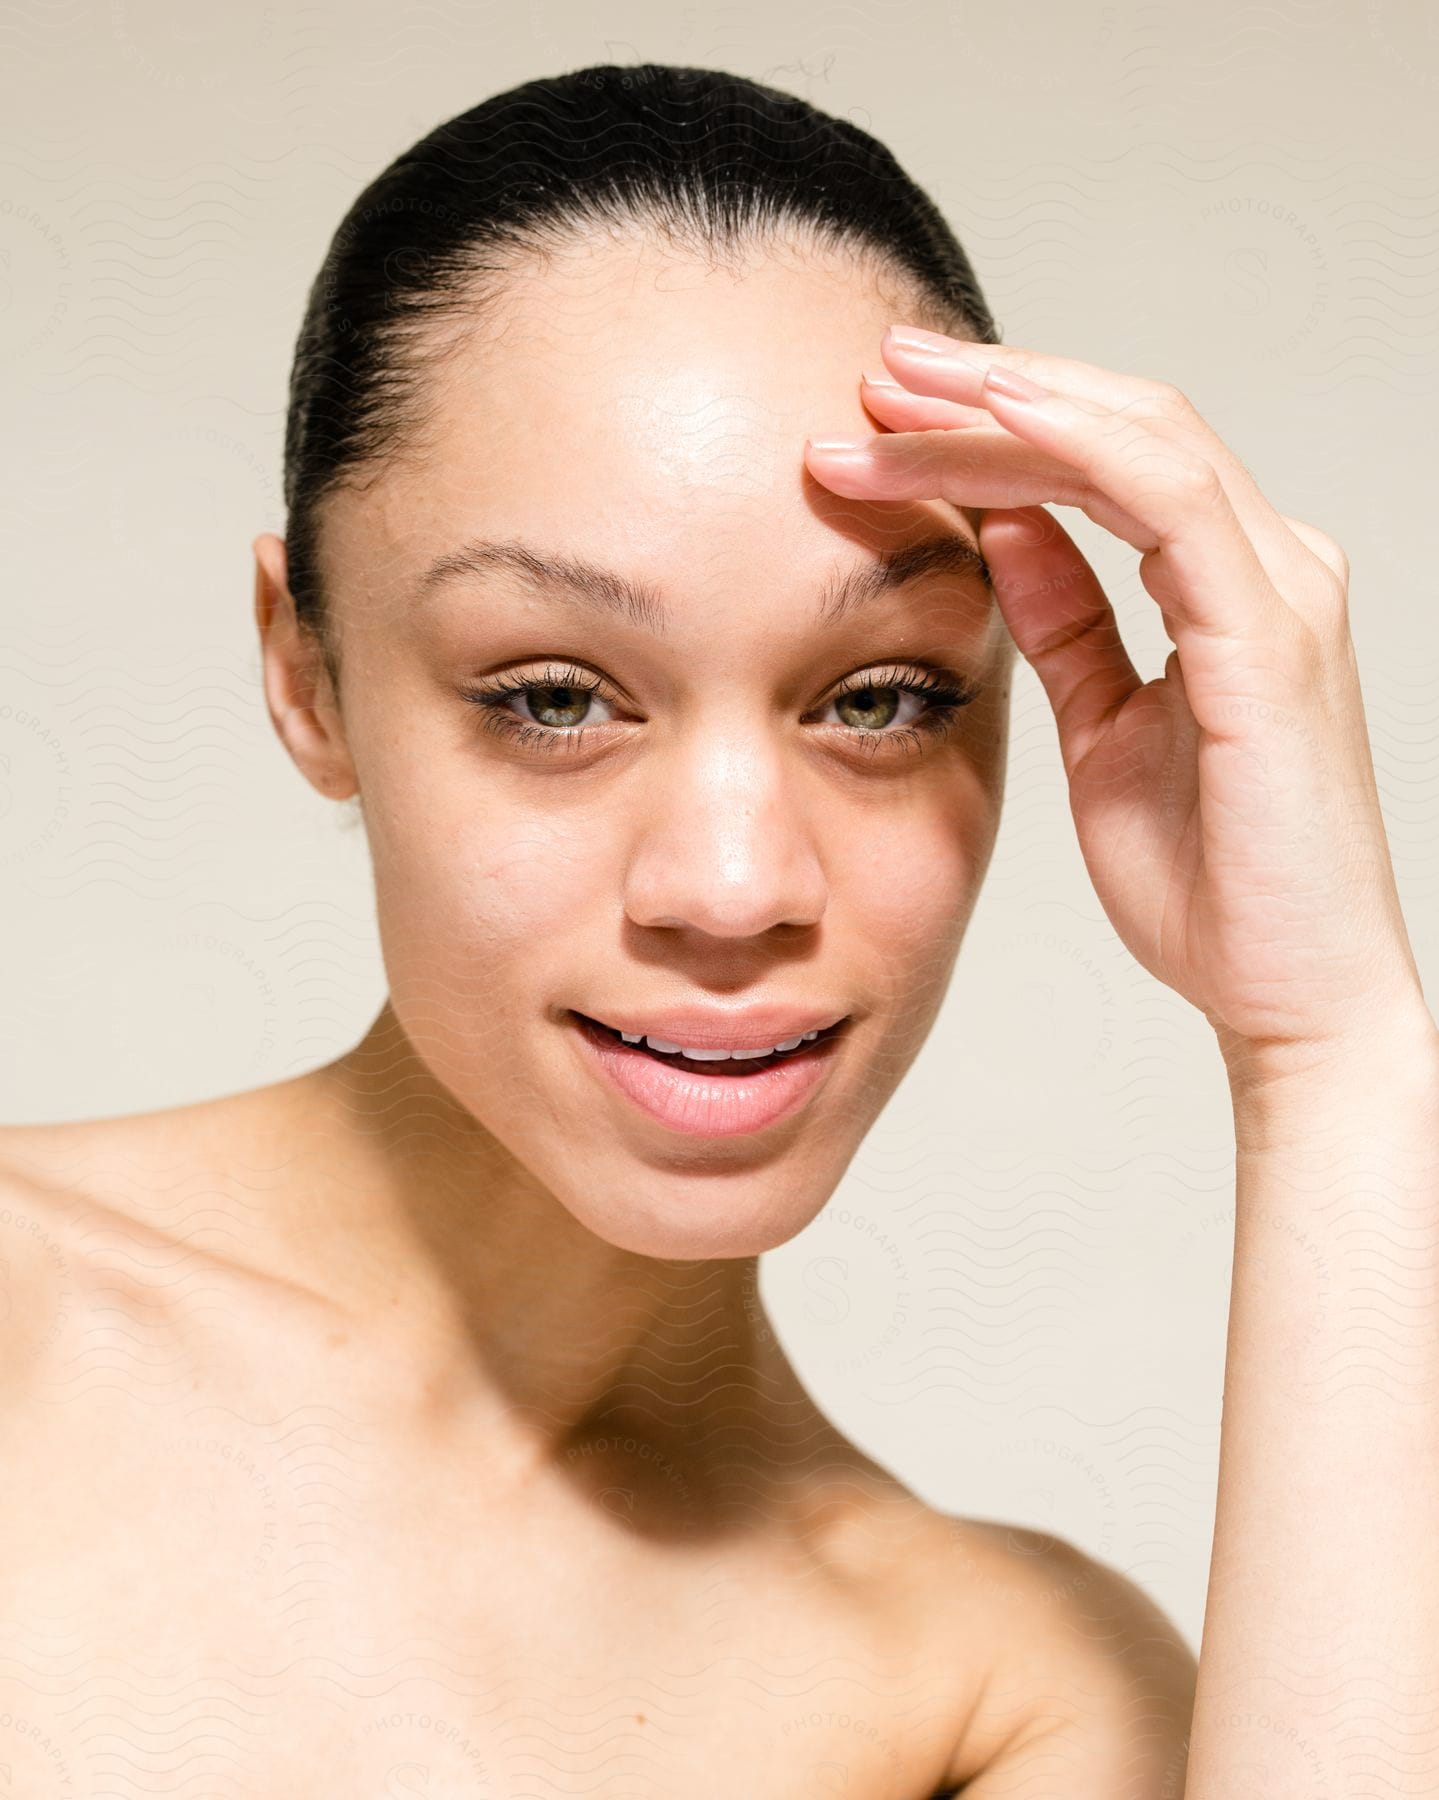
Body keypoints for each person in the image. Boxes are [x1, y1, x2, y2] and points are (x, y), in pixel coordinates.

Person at [2, 61, 1434, 1800]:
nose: (740, 885)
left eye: (883, 698)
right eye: (554, 698)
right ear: (307, 674)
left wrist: (1335, 1053)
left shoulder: (1001, 1696)